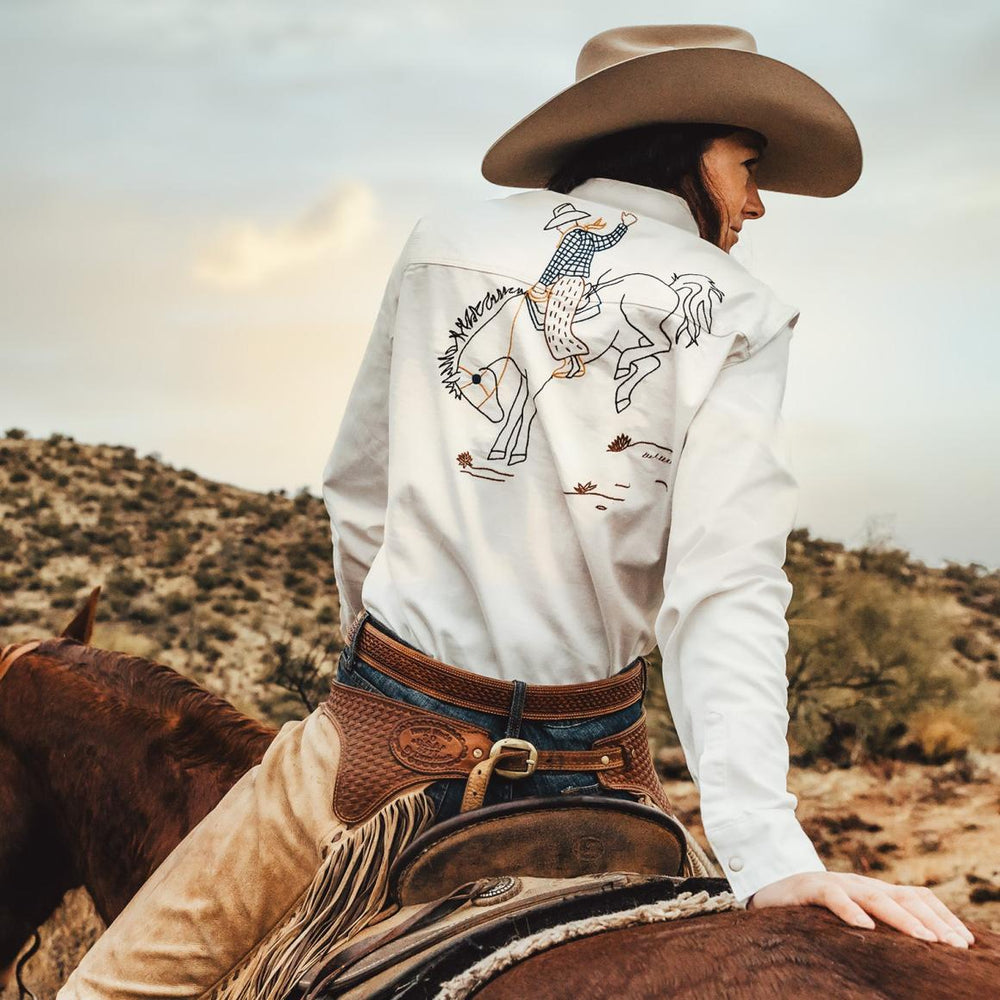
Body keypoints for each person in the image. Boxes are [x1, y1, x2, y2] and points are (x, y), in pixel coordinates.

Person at [59, 22, 973, 1000]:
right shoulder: (742, 308)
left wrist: (377, 675)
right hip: (605, 766)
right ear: (679, 141)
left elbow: (359, 488)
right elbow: (726, 586)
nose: (754, 202)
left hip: (380, 745)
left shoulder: (442, 245)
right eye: (746, 165)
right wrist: (768, 854)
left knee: (110, 991)